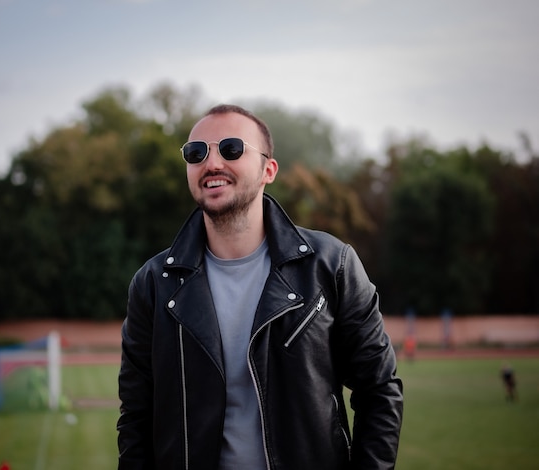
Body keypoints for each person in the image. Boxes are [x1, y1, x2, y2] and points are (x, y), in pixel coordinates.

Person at [117, 104, 403, 469]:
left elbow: (379, 390)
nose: (212, 163)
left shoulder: (331, 265)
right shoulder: (153, 283)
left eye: (231, 149)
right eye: (196, 153)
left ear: (269, 170)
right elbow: (136, 416)